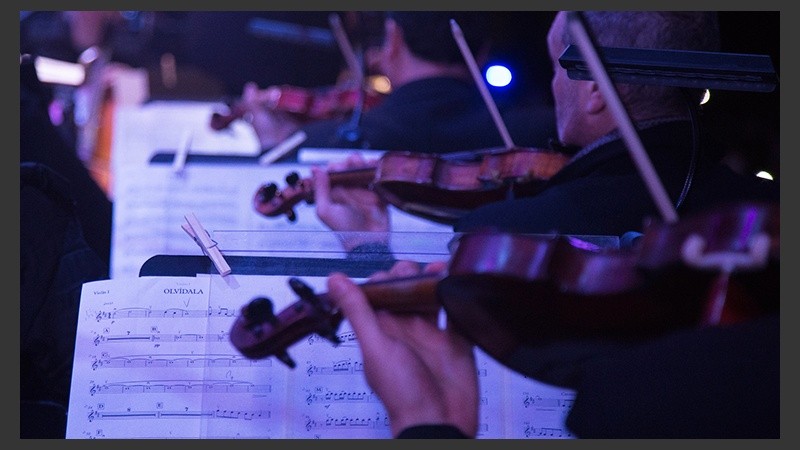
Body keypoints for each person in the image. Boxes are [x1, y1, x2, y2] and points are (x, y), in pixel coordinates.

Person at [314, 11, 779, 438]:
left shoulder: (502, 235)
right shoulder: (770, 212)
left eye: (557, 67)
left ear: (595, 89)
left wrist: (367, 248)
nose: (554, 86)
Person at [236, 11, 556, 158]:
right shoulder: (540, 134)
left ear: (394, 40)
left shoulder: (326, 144)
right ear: (483, 50)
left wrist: (275, 147)